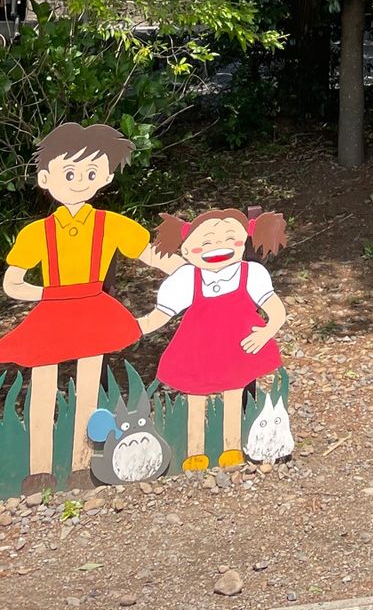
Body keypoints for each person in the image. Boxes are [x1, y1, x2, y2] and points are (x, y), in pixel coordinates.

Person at [0, 122, 180, 493]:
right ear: (45, 179)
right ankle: (38, 471)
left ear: (106, 177)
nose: (80, 181)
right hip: (53, 311)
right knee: (43, 384)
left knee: (88, 387)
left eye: (91, 173)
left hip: (92, 309)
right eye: (70, 173)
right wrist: (47, 294)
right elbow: (12, 283)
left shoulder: (110, 225)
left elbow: (152, 255)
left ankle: (82, 465)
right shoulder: (37, 233)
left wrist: (195, 270)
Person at [137, 206, 288, 471]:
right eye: (206, 243)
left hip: (236, 346)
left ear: (243, 242)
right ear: (186, 251)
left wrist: (266, 332)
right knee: (196, 395)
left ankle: (231, 448)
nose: (219, 247)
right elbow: (161, 315)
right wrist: (135, 328)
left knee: (233, 392)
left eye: (230, 239)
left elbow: (276, 311)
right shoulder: (186, 279)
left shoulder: (251, 275)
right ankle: (195, 451)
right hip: (198, 348)